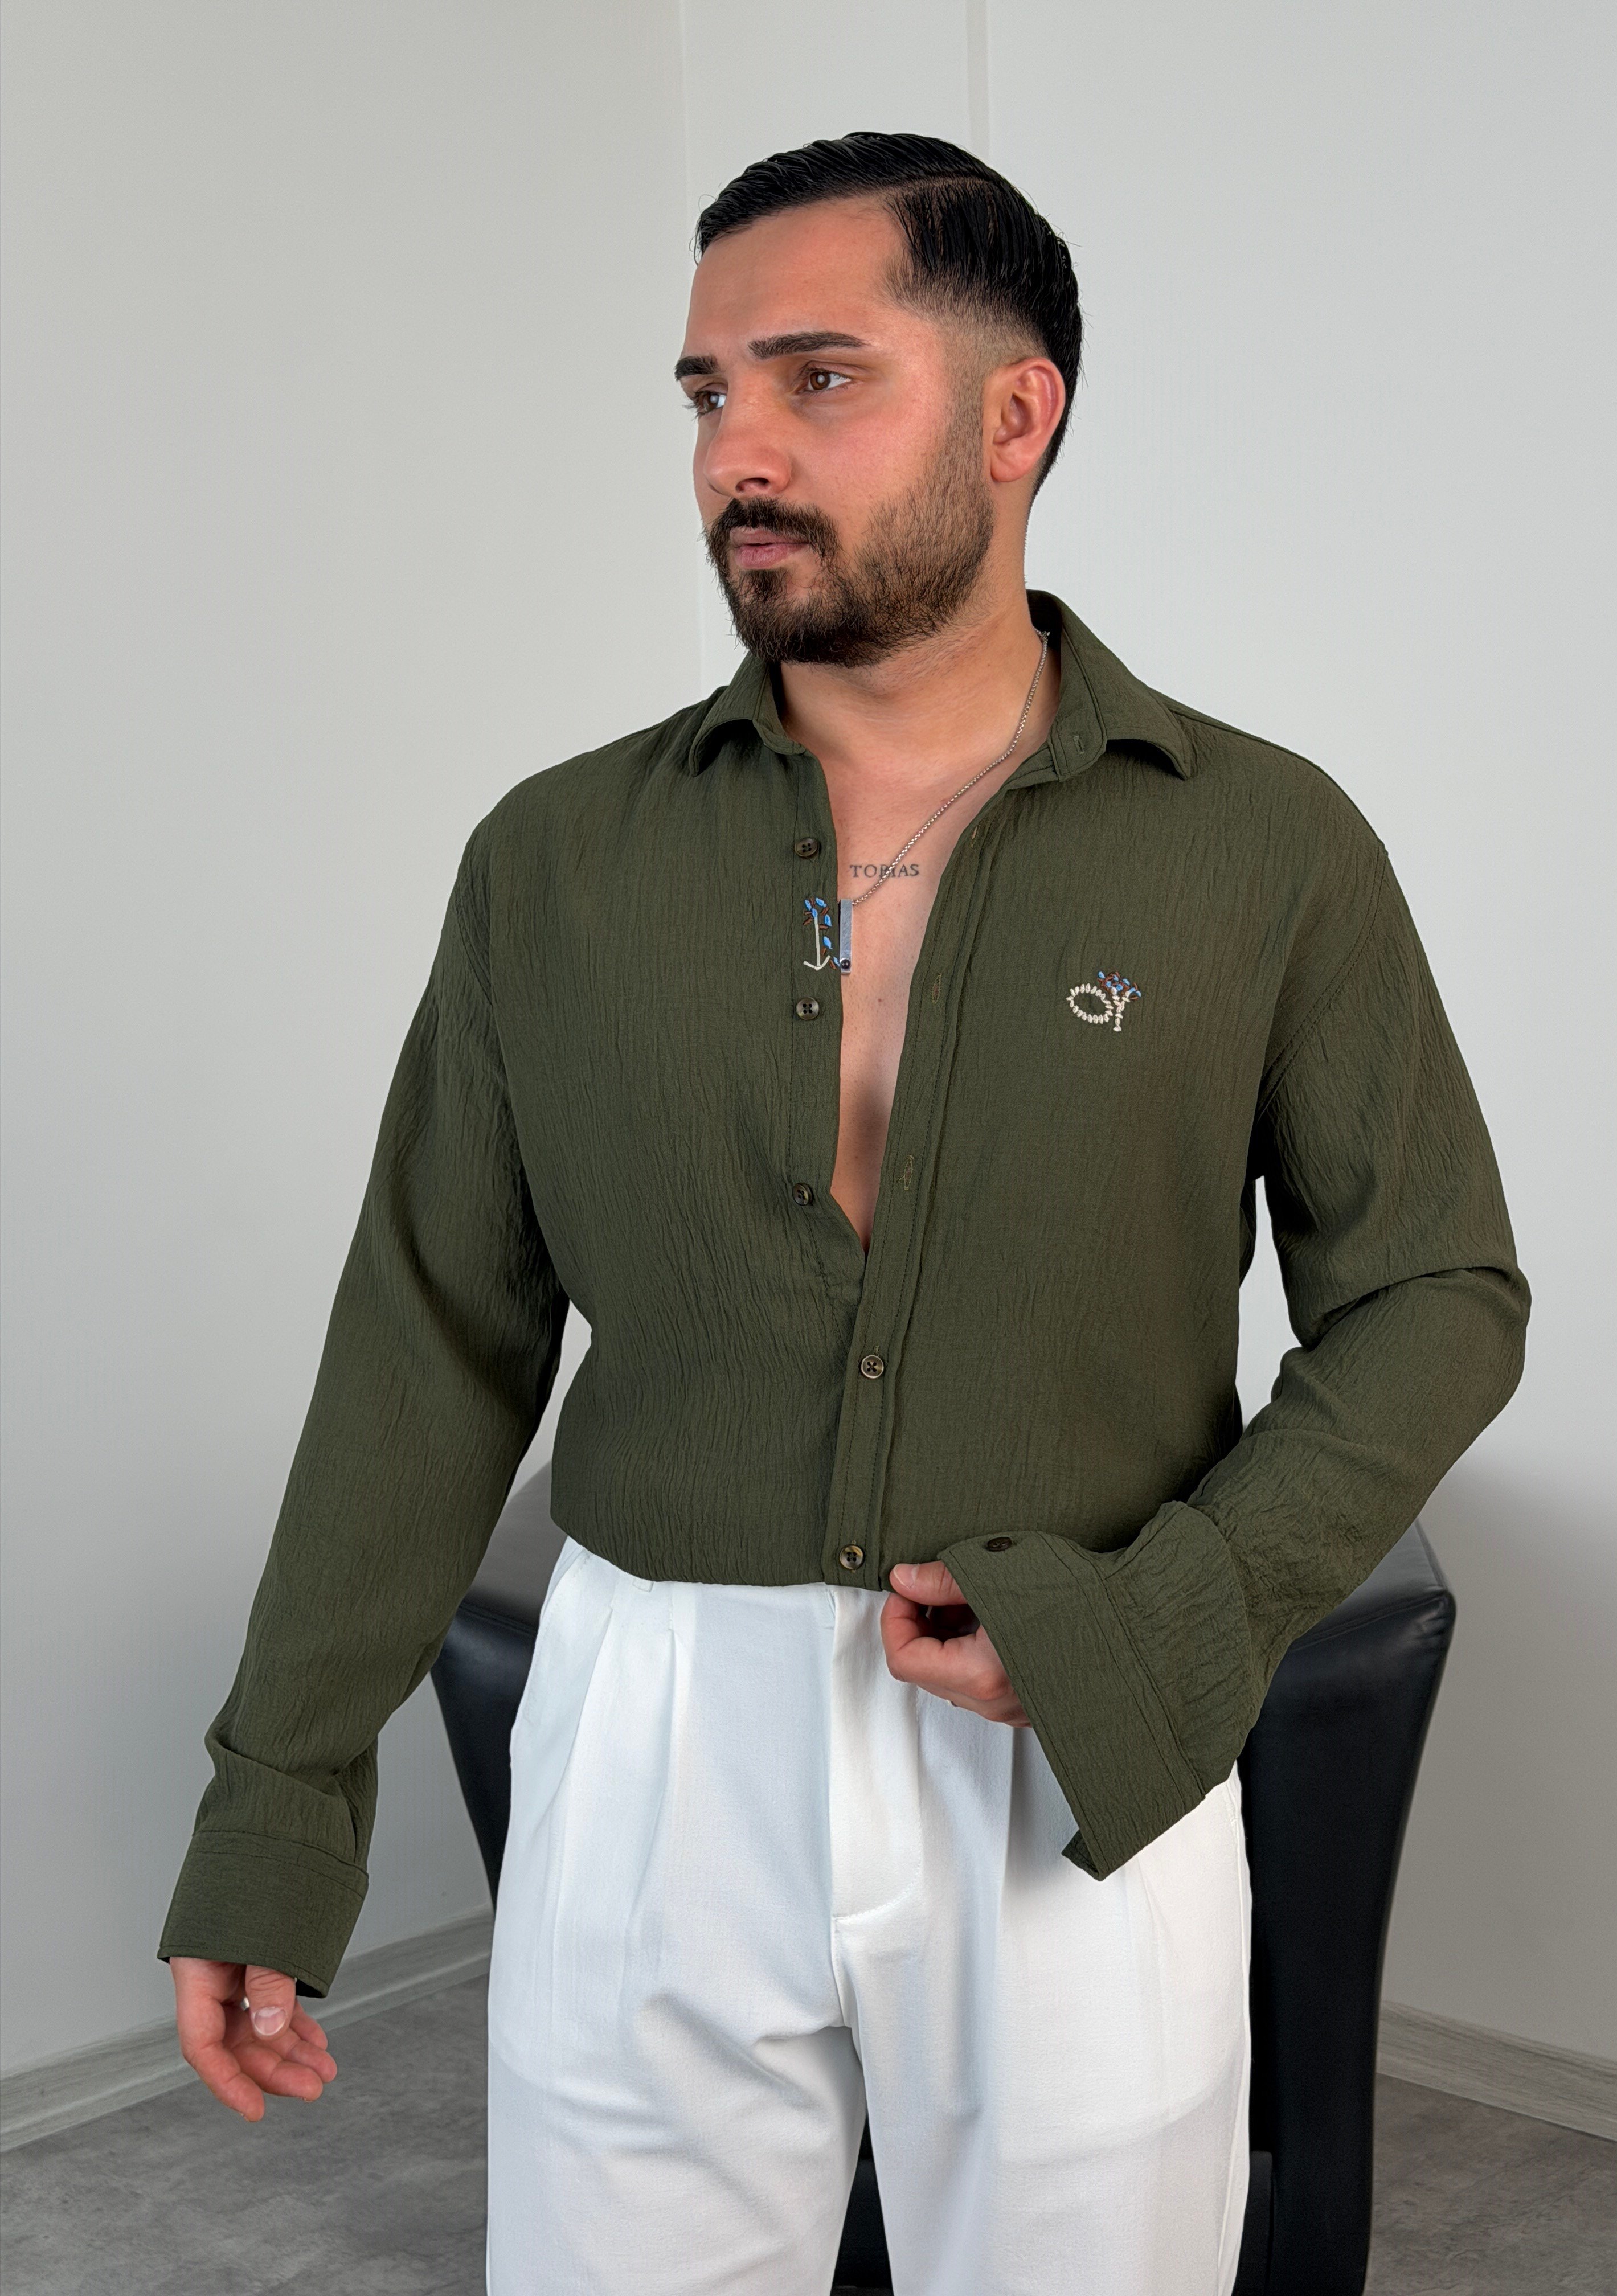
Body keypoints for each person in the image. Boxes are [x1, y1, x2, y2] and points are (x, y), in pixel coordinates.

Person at [160, 132, 1529, 2294]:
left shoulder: (1266, 847)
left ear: (1015, 414)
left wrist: (1179, 1613)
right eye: (708, 393)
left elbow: (1438, 1291)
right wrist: (279, 1807)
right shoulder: (555, 861)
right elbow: (429, 1347)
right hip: (651, 1728)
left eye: (819, 378)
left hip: (1070, 1733)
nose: (740, 452)